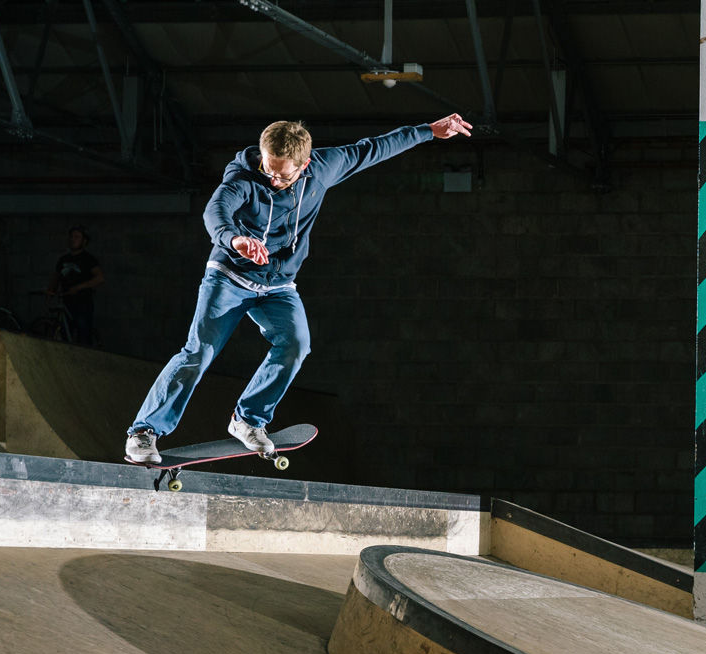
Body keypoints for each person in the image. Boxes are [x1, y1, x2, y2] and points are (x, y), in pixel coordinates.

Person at [125, 113, 472, 464]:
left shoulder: (323, 168)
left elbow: (373, 149)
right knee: (199, 353)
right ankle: (143, 432)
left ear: (304, 164)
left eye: (283, 174)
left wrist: (428, 131)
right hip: (229, 277)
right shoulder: (243, 178)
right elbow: (215, 211)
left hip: (278, 287)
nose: (273, 179)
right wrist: (234, 239)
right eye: (268, 169)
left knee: (296, 345)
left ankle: (248, 420)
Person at [49, 225, 103, 344]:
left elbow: (99, 278)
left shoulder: (88, 259)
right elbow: (55, 279)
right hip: (66, 304)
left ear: (84, 241)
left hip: (82, 304)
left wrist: (79, 287)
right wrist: (48, 297)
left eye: (77, 236)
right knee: (63, 338)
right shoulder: (63, 260)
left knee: (83, 339)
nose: (73, 239)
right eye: (72, 236)